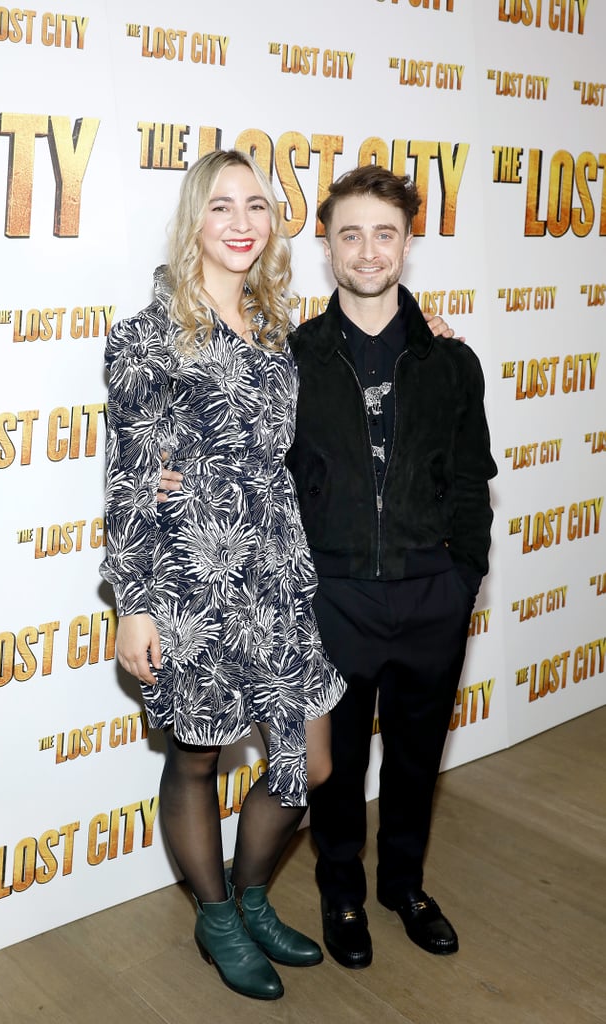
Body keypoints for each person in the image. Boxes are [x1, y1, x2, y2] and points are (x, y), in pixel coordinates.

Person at [99, 149, 347, 1001]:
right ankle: (216, 917)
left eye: (257, 206)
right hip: (191, 583)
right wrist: (132, 605)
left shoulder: (278, 332)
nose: (242, 223)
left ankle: (252, 897)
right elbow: (130, 479)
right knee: (197, 757)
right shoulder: (146, 334)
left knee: (309, 761)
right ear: (193, 222)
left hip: (276, 574)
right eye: (221, 207)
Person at [284, 164, 497, 968]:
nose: (367, 251)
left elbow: (470, 477)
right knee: (332, 768)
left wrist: (461, 576)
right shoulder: (292, 358)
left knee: (415, 756)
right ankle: (340, 894)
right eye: (350, 235)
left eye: (384, 233)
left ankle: (403, 887)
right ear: (327, 246)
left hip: (429, 596)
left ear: (407, 243)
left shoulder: (451, 361)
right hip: (332, 599)